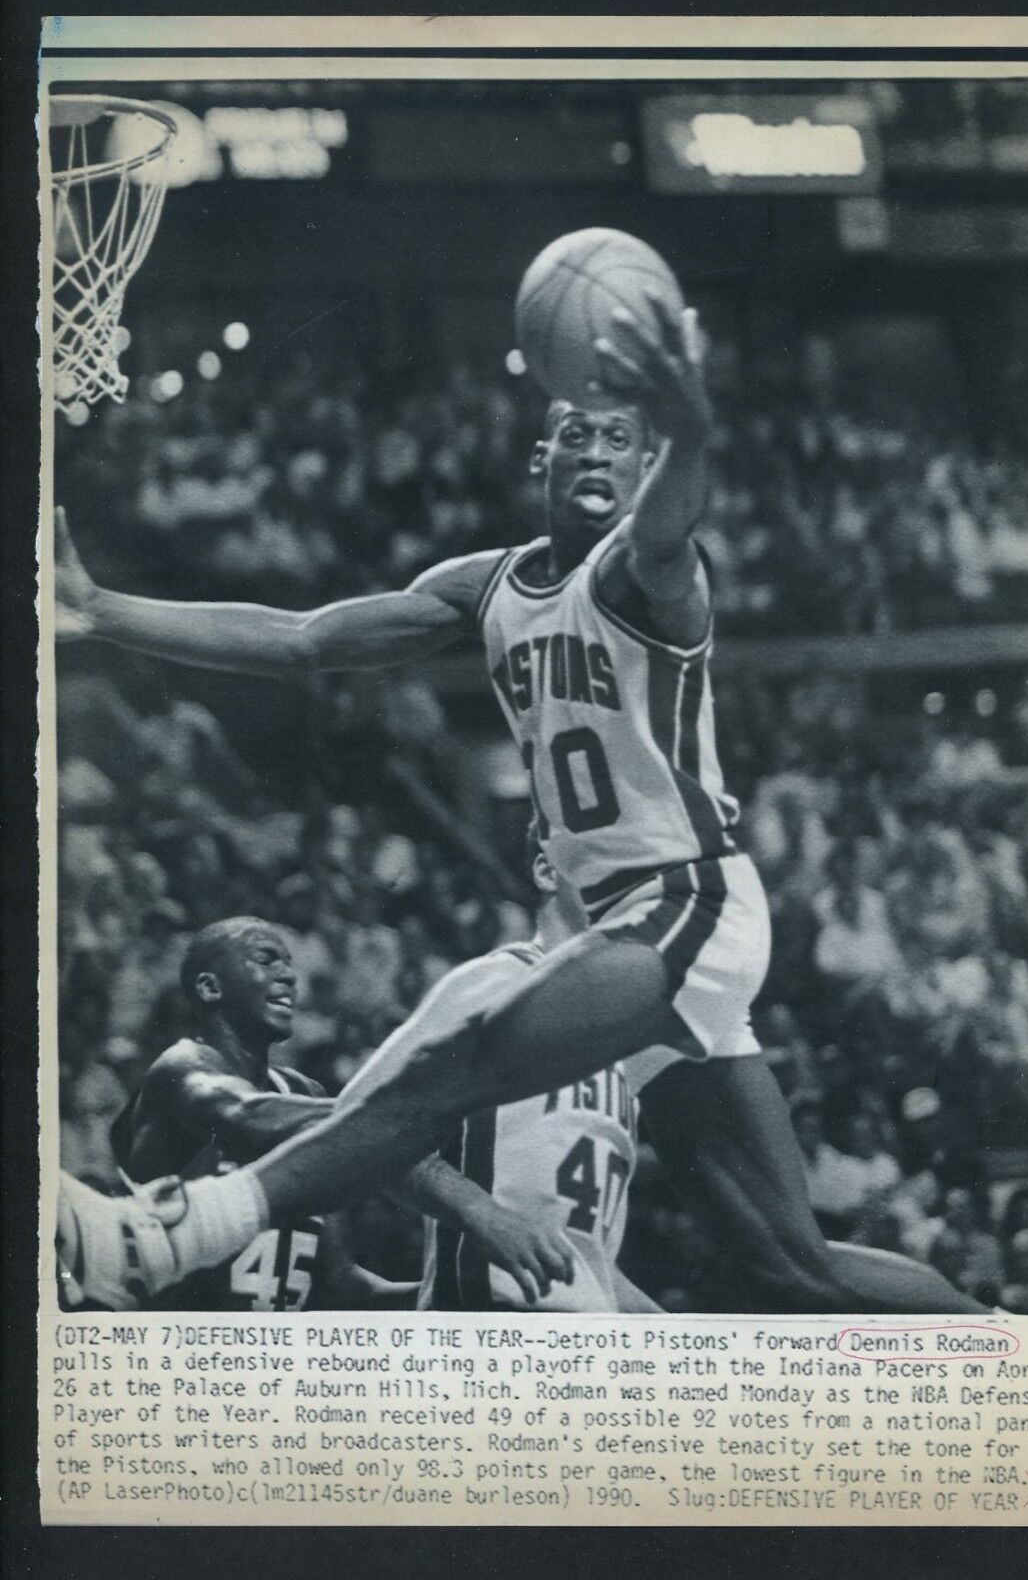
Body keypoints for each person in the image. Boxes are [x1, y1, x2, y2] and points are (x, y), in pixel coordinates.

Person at [56, 291, 980, 1314]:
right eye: (574, 435)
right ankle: (999, 1339)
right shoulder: (484, 587)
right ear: (539, 463)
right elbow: (303, 637)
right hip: (610, 935)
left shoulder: (648, 572)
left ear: (642, 469)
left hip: (683, 903)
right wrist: (101, 612)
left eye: (620, 442)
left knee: (446, 1071)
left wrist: (688, 409)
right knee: (788, 1262)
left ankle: (163, 1237)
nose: (596, 452)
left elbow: (678, 511)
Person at [387, 839, 656, 1313]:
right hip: (486, 1321)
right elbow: (357, 1129)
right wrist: (479, 1211)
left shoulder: (620, 1048)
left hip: (587, 1342)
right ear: (547, 871)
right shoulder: (493, 983)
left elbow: (590, 1263)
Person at [108, 916, 405, 1310]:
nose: (289, 976)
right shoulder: (177, 1070)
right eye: (267, 959)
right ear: (210, 987)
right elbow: (245, 1117)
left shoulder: (303, 1093)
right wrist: (412, 1112)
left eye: (290, 963)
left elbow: (341, 1284)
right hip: (179, 1355)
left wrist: (450, 1295)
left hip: (271, 1358)